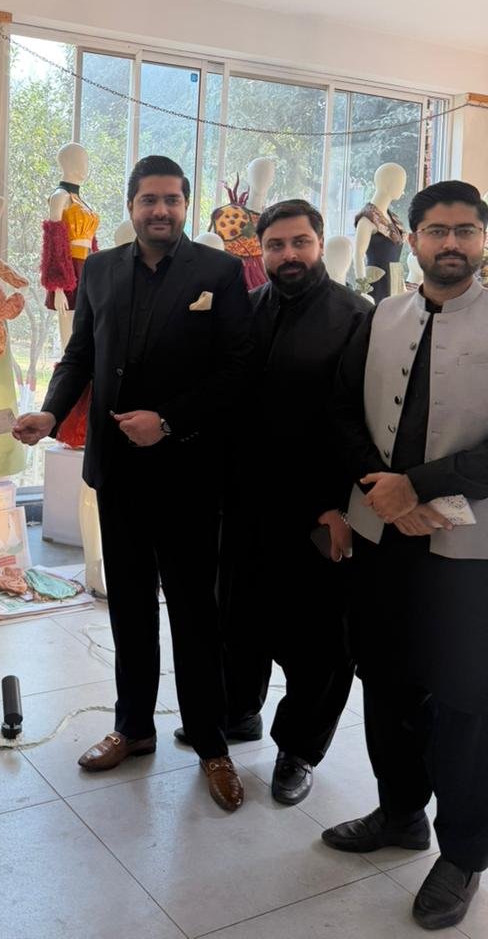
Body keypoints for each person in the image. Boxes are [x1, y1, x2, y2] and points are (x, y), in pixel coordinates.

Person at [15, 155, 253, 811]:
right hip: (117, 472)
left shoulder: (219, 273)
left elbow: (237, 370)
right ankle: (134, 728)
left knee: (195, 614)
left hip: (189, 473)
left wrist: (168, 421)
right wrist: (50, 413)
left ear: (186, 204)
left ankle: (210, 743)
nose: (161, 210)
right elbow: (80, 356)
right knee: (128, 608)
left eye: (172, 199)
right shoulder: (99, 269)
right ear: (131, 205)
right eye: (150, 199)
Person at [323, 180, 488, 932]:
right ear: (412, 238)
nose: (450, 243)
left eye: (465, 230)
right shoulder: (382, 314)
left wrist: (418, 485)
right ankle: (398, 814)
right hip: (383, 535)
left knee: (464, 701)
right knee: (386, 679)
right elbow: (341, 412)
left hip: (469, 545)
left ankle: (465, 854)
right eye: (436, 230)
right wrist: (381, 488)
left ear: (481, 239)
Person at [215, 199, 369, 805]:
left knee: (319, 642)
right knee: (240, 620)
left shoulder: (356, 317)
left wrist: (337, 506)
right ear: (261, 250)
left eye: (299, 242)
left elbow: (358, 423)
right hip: (246, 500)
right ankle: (239, 713)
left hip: (318, 508)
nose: (289, 255)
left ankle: (299, 749)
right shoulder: (247, 309)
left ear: (320, 243)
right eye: (275, 245)